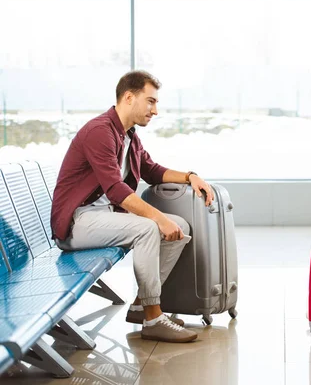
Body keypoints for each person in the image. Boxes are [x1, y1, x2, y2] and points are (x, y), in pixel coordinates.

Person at [51, 70, 213, 343]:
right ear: (129, 97)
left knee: (180, 227)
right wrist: (159, 218)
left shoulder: (129, 136)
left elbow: (152, 170)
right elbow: (115, 190)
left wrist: (190, 176)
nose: (155, 110)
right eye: (150, 101)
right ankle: (153, 317)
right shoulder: (99, 132)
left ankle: (141, 305)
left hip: (101, 219)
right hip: (77, 223)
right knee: (149, 228)